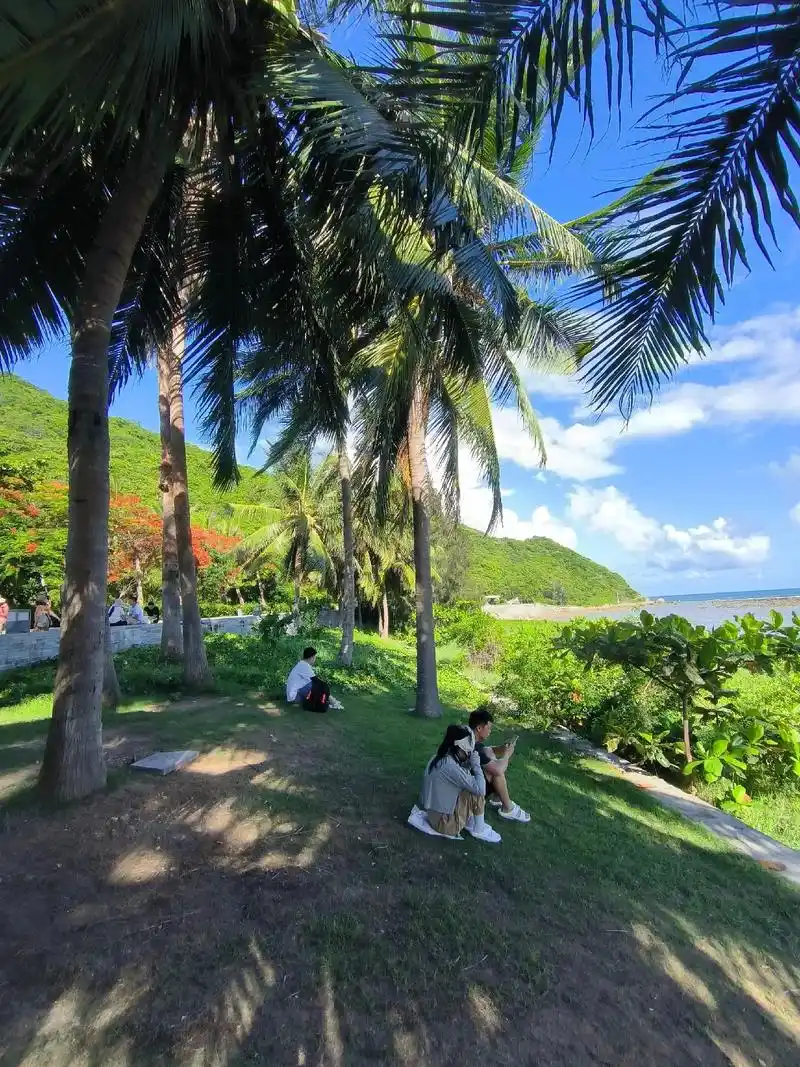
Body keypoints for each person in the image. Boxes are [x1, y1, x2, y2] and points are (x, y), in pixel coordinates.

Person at [408, 725, 501, 843]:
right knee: (476, 791)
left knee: (470, 786)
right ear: (458, 747)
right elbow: (480, 790)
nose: (468, 754)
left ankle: (471, 820)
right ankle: (479, 829)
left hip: (433, 815)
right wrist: (476, 765)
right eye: (466, 751)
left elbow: (462, 777)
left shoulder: (439, 757)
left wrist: (468, 764)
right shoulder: (450, 766)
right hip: (444, 824)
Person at [468, 707, 530, 823]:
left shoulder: (468, 738)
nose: (490, 731)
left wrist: (501, 749)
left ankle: (498, 797)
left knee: (489, 752)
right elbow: (498, 770)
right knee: (496, 773)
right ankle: (508, 808)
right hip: (466, 793)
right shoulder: (473, 748)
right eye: (489, 728)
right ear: (479, 728)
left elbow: (486, 750)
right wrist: (506, 755)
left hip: (464, 781)